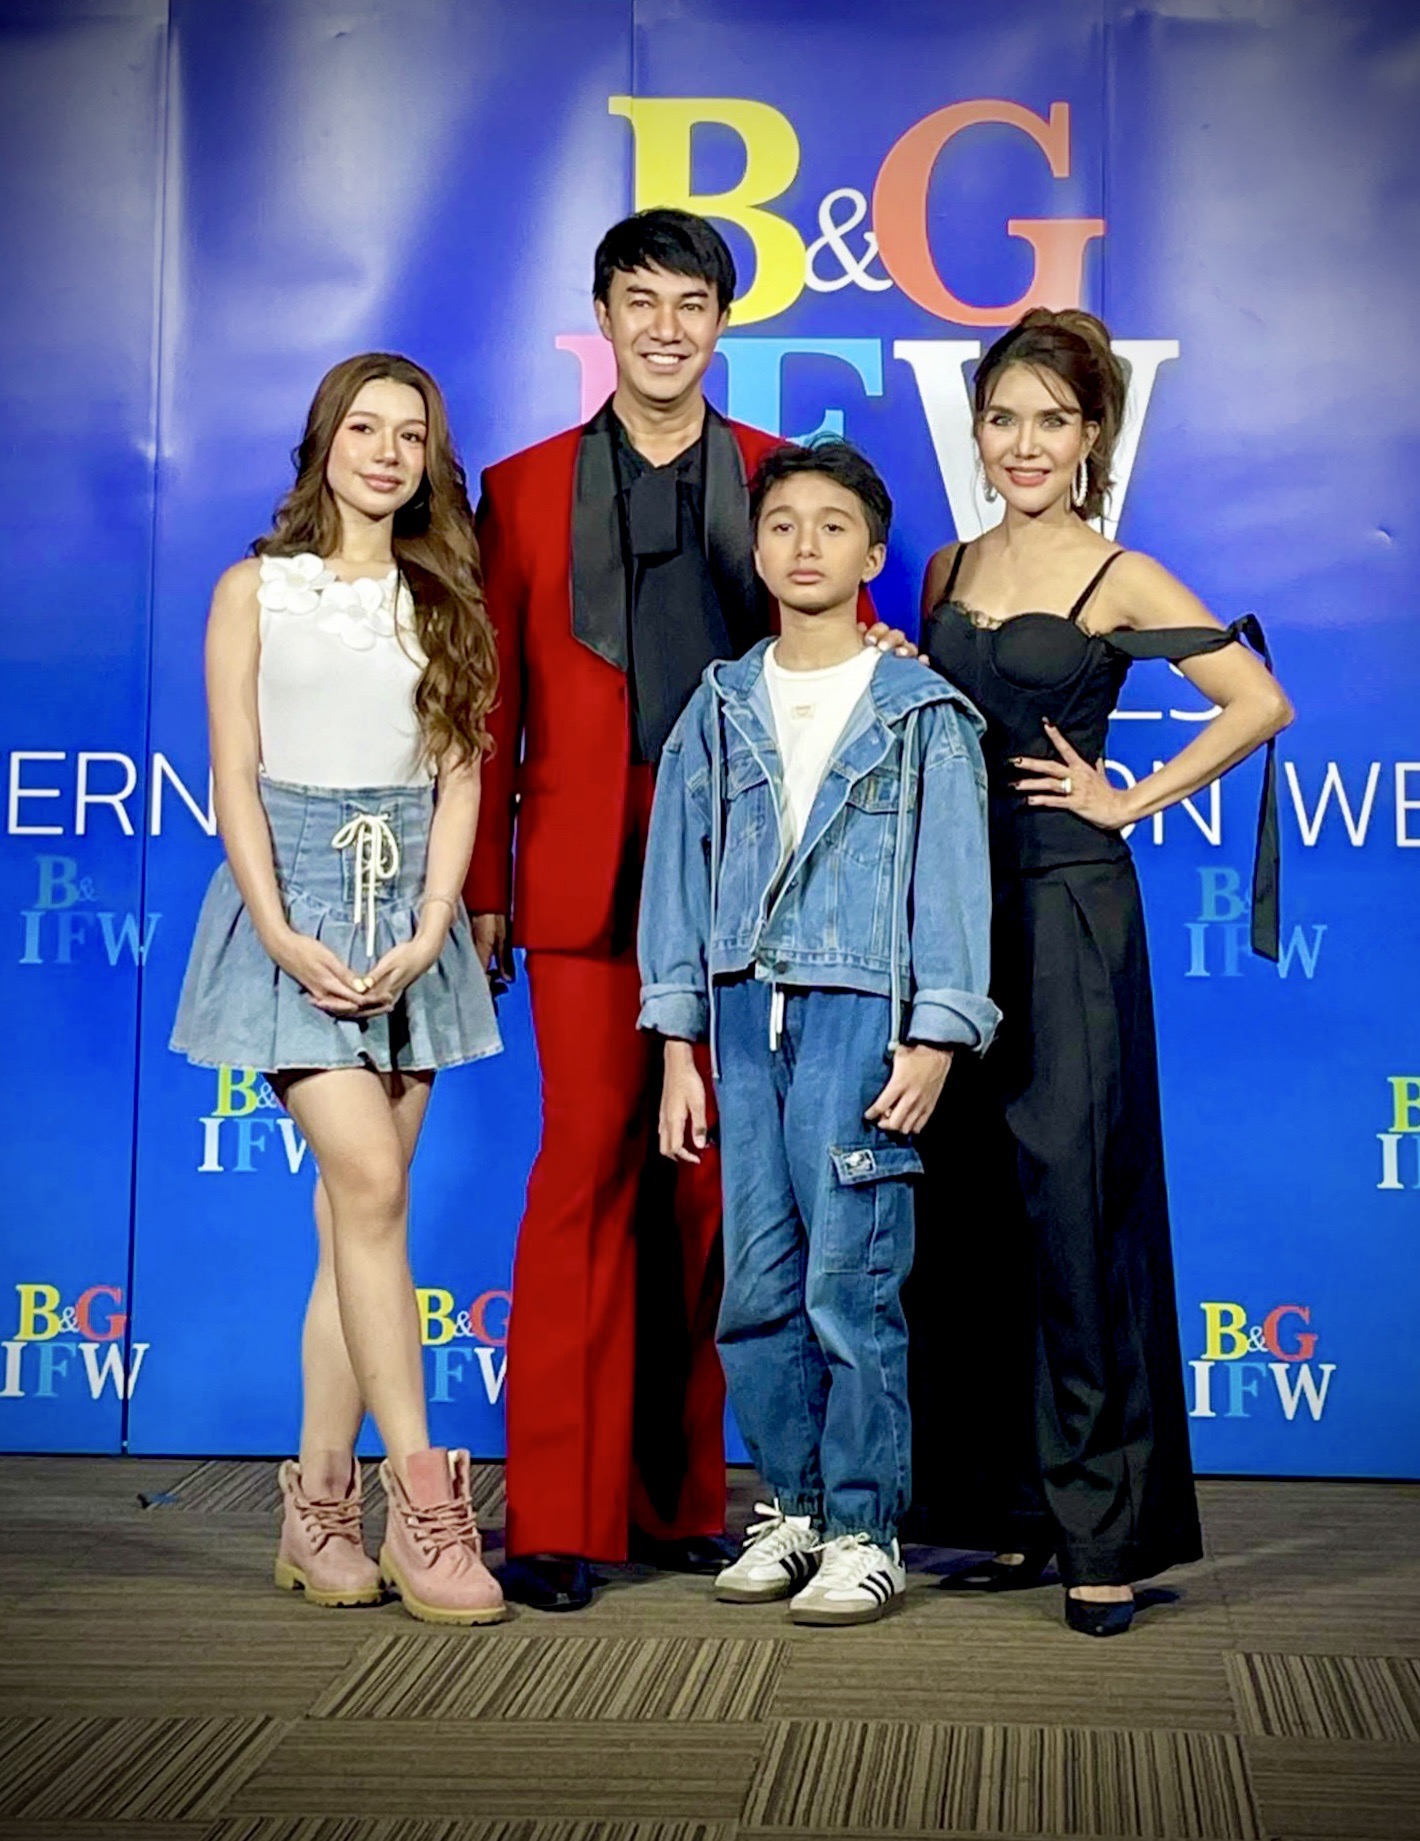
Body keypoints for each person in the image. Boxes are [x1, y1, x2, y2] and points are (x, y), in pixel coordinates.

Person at [466, 210, 909, 1612]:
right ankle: (556, 1514)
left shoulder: (781, 479)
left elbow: (836, 654)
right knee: (583, 1173)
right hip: (583, 882)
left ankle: (675, 1502)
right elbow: (489, 705)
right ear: (601, 315)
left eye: (692, 303)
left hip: (751, 883)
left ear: (723, 323)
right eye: (640, 300)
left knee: (719, 1196)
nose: (666, 327)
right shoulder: (520, 489)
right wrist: (486, 888)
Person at [911, 307, 1293, 1636]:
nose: (1025, 443)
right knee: (971, 1212)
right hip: (955, 913)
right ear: (978, 430)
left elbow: (1258, 700)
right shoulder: (947, 565)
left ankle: (1104, 1533)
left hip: (1070, 908)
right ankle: (1013, 1510)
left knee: (1076, 1209)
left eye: (1053, 422)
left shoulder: (1119, 574)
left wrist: (1127, 799)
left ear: (1092, 439)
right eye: (1003, 418)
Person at [171, 352, 506, 1625]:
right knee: (368, 1189)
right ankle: (424, 1501)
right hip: (296, 906)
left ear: (430, 461)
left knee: (352, 1224)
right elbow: (235, 772)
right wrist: (276, 927)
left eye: (409, 435)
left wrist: (432, 925)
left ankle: (317, 1508)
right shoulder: (254, 588)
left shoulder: (445, 599)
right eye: (364, 428)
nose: (385, 452)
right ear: (324, 442)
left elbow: (462, 775)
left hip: (410, 915)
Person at [640, 441, 998, 1625]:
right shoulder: (718, 707)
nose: (805, 544)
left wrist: (936, 1034)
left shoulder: (919, 711)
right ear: (756, 548)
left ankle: (862, 1526)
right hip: (744, 1018)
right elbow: (677, 881)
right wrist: (677, 1044)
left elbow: (951, 879)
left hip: (862, 1017)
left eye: (833, 525)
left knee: (852, 1284)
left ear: (874, 553)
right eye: (783, 522)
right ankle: (791, 1507)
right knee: (756, 1286)